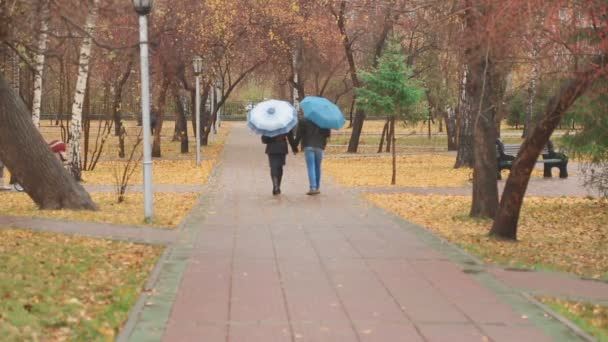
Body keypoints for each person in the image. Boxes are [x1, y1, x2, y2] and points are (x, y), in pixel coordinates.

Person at [294, 117, 331, 195]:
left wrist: (295, 147)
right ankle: (317, 187)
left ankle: (312, 188)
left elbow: (299, 134)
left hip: (308, 145)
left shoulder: (303, 120)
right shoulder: (323, 120)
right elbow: (327, 134)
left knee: (311, 167)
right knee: (318, 167)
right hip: (319, 146)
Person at [262, 130, 298, 195]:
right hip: (282, 147)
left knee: (273, 167)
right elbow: (290, 138)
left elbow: (264, 139)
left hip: (271, 148)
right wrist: (294, 148)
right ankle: (278, 186)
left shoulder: (269, 125)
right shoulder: (285, 125)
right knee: (279, 167)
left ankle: (275, 187)